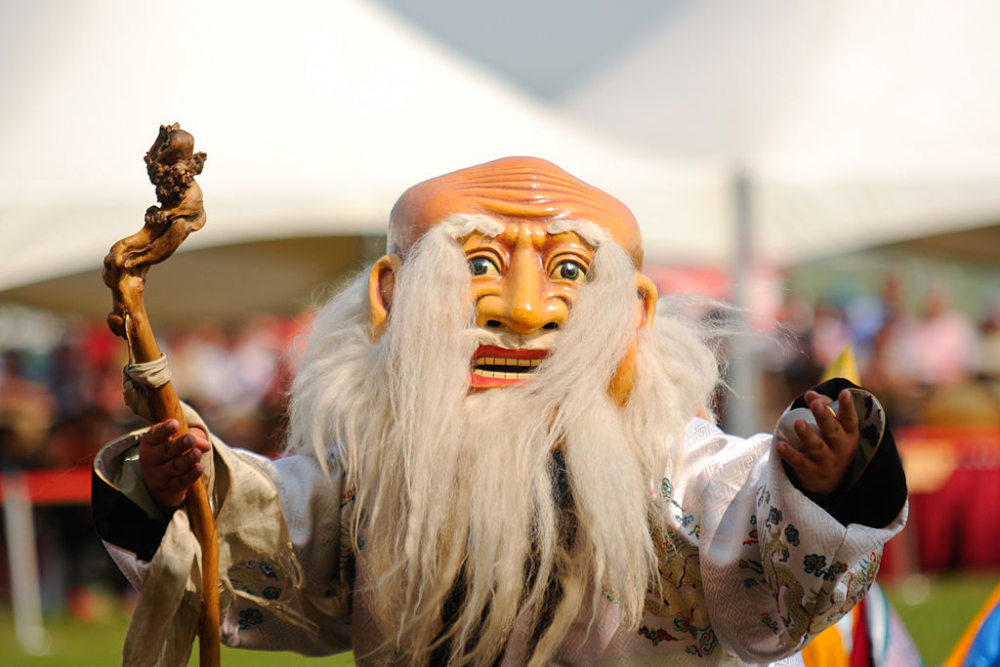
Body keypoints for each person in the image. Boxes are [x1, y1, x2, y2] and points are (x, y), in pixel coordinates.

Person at [92, 157, 907, 666]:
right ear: (391, 296)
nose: (525, 311)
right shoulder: (375, 473)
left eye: (567, 272)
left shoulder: (670, 460)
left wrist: (819, 485)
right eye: (480, 263)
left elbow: (756, 561)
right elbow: (286, 546)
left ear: (638, 312)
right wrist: (183, 485)